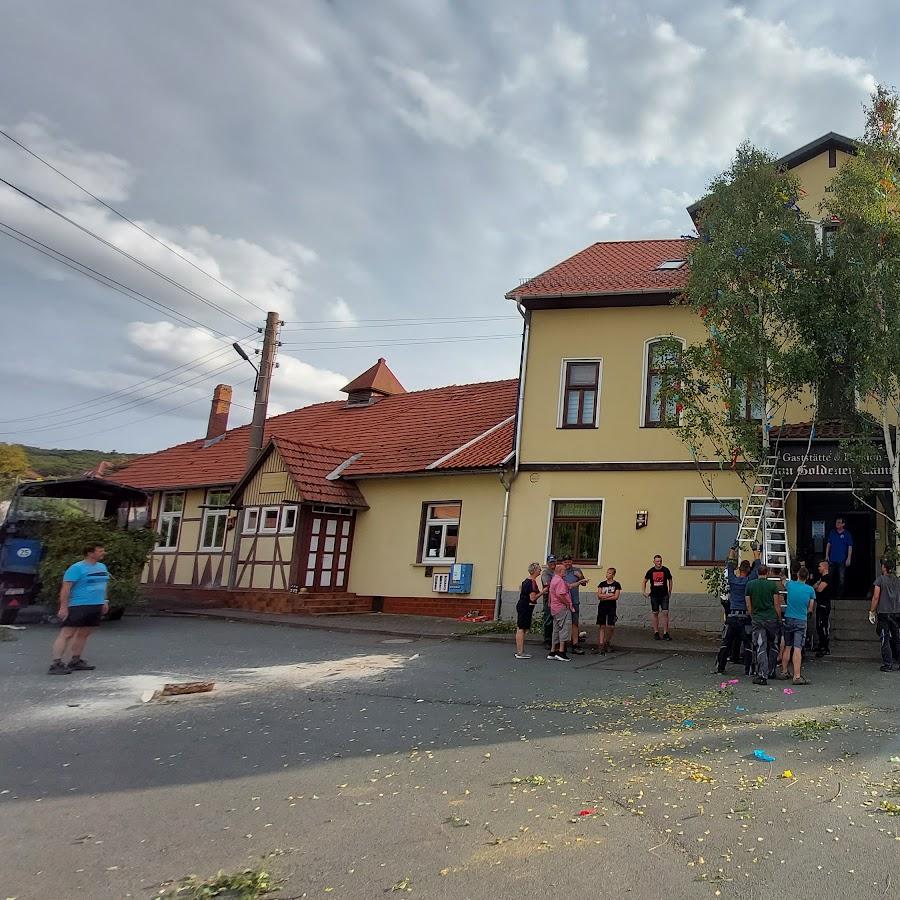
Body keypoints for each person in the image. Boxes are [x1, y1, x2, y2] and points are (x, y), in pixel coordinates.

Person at [48, 543, 110, 675]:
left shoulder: (102, 567)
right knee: (67, 634)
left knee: (84, 633)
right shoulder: (76, 568)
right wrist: (63, 607)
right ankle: (56, 663)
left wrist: (104, 601)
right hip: (78, 605)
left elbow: (103, 585)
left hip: (95, 605)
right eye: (100, 551)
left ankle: (75, 660)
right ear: (90, 553)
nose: (103, 553)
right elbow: (66, 589)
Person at [714, 545, 761, 674]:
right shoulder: (750, 581)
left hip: (732, 616)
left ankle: (720, 668)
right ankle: (748, 670)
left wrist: (732, 550)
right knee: (747, 644)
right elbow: (757, 566)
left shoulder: (733, 580)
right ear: (748, 570)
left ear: (739, 569)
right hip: (745, 617)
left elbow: (729, 565)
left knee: (726, 643)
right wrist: (755, 550)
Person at [778, 567, 815, 685]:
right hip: (801, 619)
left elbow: (783, 580)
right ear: (807, 577)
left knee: (787, 646)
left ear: (798, 575)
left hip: (789, 617)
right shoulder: (810, 590)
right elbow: (810, 608)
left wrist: (783, 573)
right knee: (797, 648)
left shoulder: (791, 585)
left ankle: (784, 671)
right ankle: (797, 676)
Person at [746, 565, 782, 685]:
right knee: (773, 645)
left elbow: (748, 604)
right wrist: (779, 618)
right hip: (771, 618)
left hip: (758, 619)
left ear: (757, 572)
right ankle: (771, 670)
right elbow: (777, 604)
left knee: (761, 646)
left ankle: (762, 674)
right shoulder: (772, 585)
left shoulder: (750, 585)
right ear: (767, 572)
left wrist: (753, 616)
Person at [870, 561, 900, 672]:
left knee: (885, 637)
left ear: (884, 568)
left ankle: (888, 664)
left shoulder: (880, 579)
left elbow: (876, 596)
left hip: (884, 612)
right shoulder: (897, 580)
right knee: (897, 638)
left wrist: (872, 611)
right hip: (896, 612)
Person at [514, 563, 542, 659]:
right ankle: (520, 652)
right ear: (534, 570)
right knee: (521, 628)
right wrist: (543, 591)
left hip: (522, 605)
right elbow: (533, 598)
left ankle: (520, 650)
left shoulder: (526, 581)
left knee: (521, 628)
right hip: (526, 607)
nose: (540, 570)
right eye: (539, 569)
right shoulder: (532, 582)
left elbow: (521, 589)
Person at [548, 561, 574, 661]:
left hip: (554, 608)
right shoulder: (560, 581)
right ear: (560, 571)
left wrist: (580, 582)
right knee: (564, 628)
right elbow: (560, 594)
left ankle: (553, 651)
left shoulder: (554, 579)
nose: (566, 572)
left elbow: (569, 586)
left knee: (556, 629)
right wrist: (567, 603)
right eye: (564, 570)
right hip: (562, 608)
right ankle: (561, 651)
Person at [643, 555, 673, 640]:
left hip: (664, 595)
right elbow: (644, 581)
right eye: (657, 561)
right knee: (655, 613)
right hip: (654, 596)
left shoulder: (665, 570)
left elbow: (670, 580)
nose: (659, 563)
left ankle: (665, 633)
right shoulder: (651, 571)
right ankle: (656, 632)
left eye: (660, 561)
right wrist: (644, 592)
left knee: (665, 613)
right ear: (654, 562)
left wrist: (670, 591)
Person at [562, 555, 588, 655]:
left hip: (574, 600)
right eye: (565, 562)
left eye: (569, 561)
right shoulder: (561, 571)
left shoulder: (577, 570)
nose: (567, 564)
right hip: (563, 601)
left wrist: (580, 577)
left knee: (575, 623)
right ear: (563, 563)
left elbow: (584, 583)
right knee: (563, 623)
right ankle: (562, 645)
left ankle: (575, 644)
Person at [594, 567, 621, 654]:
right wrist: (609, 595)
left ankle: (607, 641)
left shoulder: (616, 584)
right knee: (602, 626)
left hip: (612, 607)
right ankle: (601, 644)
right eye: (607, 573)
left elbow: (616, 597)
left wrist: (604, 596)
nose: (607, 575)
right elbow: (599, 595)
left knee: (611, 626)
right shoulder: (602, 584)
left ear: (613, 575)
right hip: (602, 607)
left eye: (609, 573)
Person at [825, 518, 853, 597]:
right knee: (829, 577)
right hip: (832, 559)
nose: (837, 523)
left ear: (843, 524)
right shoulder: (832, 533)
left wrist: (849, 558)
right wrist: (827, 555)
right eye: (836, 522)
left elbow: (850, 546)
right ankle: (829, 594)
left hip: (842, 559)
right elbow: (828, 544)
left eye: (839, 522)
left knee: (841, 579)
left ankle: (839, 596)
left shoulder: (847, 534)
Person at [813, 560, 833, 656]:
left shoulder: (827, 578)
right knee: (819, 625)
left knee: (823, 625)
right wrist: (816, 586)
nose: (818, 568)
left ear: (825, 567)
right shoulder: (822, 578)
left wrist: (816, 586)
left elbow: (819, 589)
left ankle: (825, 647)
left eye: (820, 566)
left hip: (824, 604)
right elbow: (815, 586)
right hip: (820, 603)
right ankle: (821, 645)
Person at [539, 554, 556, 650]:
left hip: (557, 599)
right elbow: (547, 585)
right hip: (548, 598)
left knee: (556, 620)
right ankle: (547, 640)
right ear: (548, 563)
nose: (553, 564)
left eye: (554, 562)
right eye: (551, 562)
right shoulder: (546, 573)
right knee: (548, 619)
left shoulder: (557, 571)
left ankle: (554, 639)